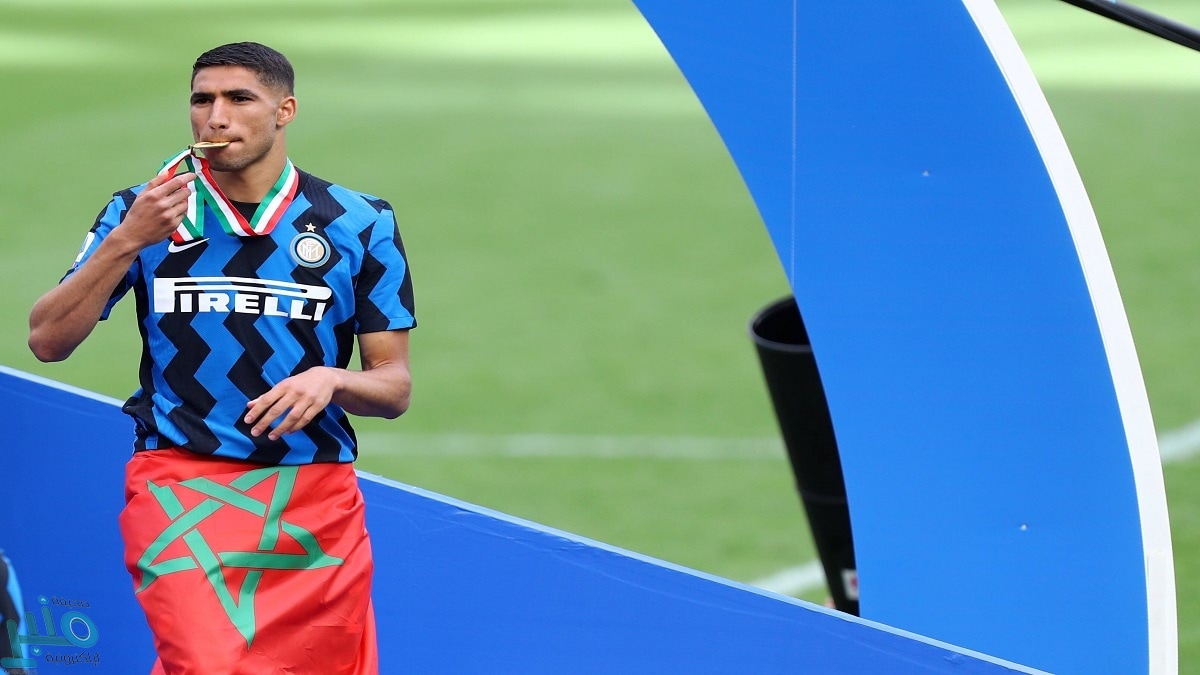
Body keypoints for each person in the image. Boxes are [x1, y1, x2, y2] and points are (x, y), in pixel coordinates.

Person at [28, 42, 415, 674]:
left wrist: (330, 379)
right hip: (180, 485)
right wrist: (127, 240)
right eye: (201, 100)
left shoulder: (360, 221)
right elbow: (48, 340)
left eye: (239, 99)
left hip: (313, 499)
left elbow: (394, 388)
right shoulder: (142, 212)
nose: (216, 117)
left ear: (285, 110)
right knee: (205, 663)